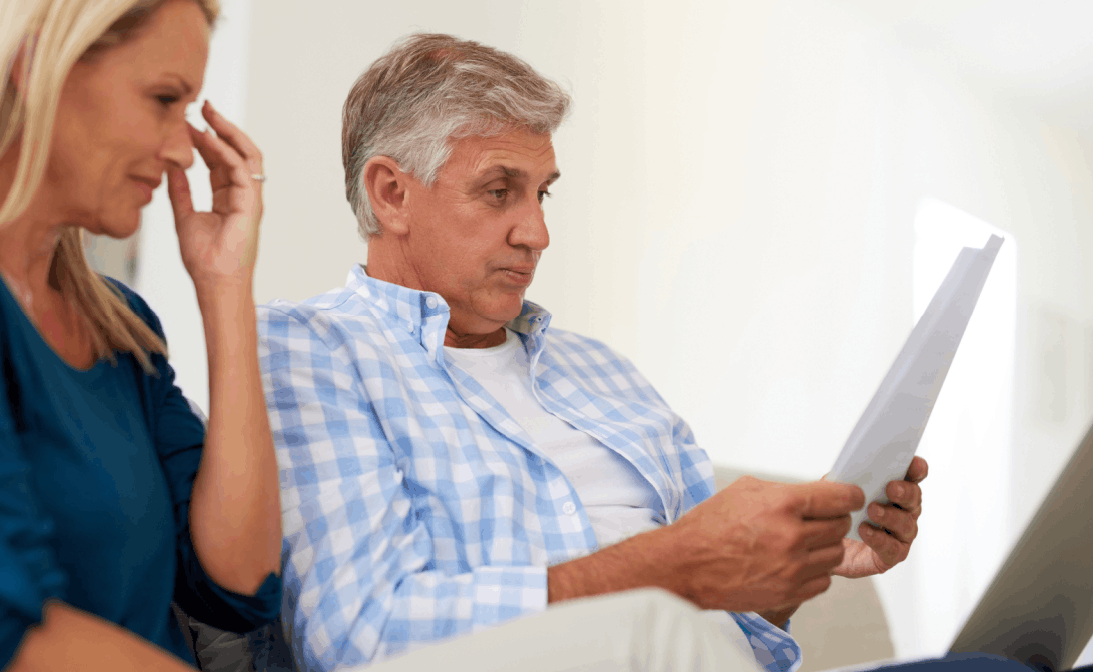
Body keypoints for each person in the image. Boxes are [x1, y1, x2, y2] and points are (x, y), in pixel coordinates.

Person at [256, 33, 929, 672]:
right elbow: (365, 638)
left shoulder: (604, 374)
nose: (538, 233)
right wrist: (671, 566)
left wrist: (802, 561)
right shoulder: (312, 350)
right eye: (499, 191)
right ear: (392, 194)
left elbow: (730, 627)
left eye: (542, 193)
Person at [0, 0, 281, 670]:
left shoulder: (122, 327)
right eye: (163, 99)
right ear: (37, 65)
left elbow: (240, 586)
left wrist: (226, 287)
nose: (183, 151)